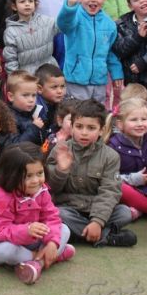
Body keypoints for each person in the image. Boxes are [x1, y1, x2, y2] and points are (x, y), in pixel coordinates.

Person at [0, 143, 74, 285]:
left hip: (31, 239)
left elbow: (51, 217)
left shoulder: (41, 189)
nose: (36, 181)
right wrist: (27, 230)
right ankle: (47, 257)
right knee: (6, 251)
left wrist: (52, 243)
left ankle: (38, 262)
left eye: (40, 173)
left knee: (64, 229)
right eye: (28, 176)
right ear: (11, 176)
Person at [46, 99, 136, 247]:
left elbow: (109, 191)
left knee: (124, 212)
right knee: (59, 214)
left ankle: (83, 233)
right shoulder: (60, 150)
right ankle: (107, 237)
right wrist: (61, 170)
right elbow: (50, 188)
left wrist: (97, 221)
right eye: (79, 126)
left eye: (91, 128)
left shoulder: (110, 156)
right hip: (68, 208)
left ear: (101, 130)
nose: (84, 133)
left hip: (97, 208)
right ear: (72, 127)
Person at [56, 0, 123, 104]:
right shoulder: (75, 17)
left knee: (97, 113)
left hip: (99, 81)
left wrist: (116, 72)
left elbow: (110, 52)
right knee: (77, 112)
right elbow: (63, 24)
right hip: (76, 80)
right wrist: (70, 5)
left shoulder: (109, 24)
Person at [105, 98, 147, 219]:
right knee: (119, 188)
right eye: (134, 120)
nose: (140, 124)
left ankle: (141, 209)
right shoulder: (113, 146)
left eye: (144, 119)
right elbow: (111, 177)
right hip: (130, 187)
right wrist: (135, 179)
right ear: (120, 124)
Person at [3, 0, 60, 75]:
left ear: (35, 4)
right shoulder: (11, 31)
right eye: (22, 1)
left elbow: (64, 25)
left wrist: (71, 6)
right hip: (28, 77)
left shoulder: (47, 21)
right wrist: (17, 79)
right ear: (14, 6)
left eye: (30, 1)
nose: (27, 4)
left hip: (49, 73)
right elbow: (11, 60)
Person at [6, 71, 48, 146]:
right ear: (11, 97)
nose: (31, 100)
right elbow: (15, 146)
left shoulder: (36, 112)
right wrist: (34, 128)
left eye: (34, 95)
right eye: (25, 95)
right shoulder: (9, 118)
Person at [35, 64, 67, 138]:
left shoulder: (64, 103)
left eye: (62, 86)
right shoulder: (37, 109)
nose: (60, 91)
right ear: (39, 89)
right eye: (54, 87)